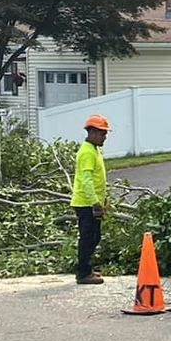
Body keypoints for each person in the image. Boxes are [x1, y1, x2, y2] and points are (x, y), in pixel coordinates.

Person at [71, 114, 109, 284]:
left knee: (95, 237)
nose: (105, 137)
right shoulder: (87, 152)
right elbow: (86, 180)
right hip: (85, 203)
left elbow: (97, 178)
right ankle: (83, 273)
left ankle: (86, 269)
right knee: (88, 237)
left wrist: (102, 201)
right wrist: (95, 203)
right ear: (92, 132)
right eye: (102, 133)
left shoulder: (94, 150)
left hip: (92, 203)